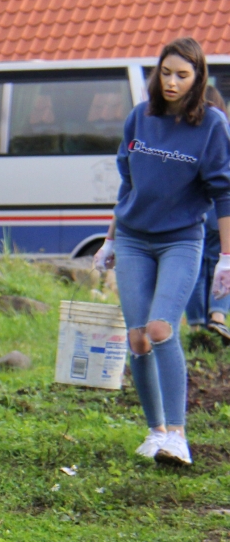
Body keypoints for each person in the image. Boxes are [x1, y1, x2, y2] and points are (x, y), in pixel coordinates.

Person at [94, 37, 230, 467]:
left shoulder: (211, 125)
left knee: (159, 329)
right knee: (137, 339)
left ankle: (178, 435)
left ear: (197, 79)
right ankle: (155, 433)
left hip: (180, 240)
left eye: (182, 75)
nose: (171, 82)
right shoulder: (141, 117)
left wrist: (227, 257)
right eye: (165, 72)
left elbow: (225, 194)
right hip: (133, 238)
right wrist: (111, 237)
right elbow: (128, 184)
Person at [185, 87, 230, 344]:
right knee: (222, 263)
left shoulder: (191, 133)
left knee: (196, 269)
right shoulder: (225, 130)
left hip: (196, 210)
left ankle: (195, 326)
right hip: (223, 214)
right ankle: (218, 317)